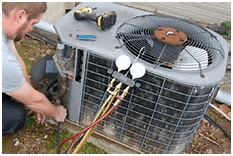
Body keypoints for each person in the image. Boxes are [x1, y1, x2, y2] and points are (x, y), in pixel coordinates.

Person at [2, 2, 67, 135]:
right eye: (33, 24)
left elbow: (18, 61)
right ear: (21, 16)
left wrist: (32, 98)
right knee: (14, 117)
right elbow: (9, 66)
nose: (32, 29)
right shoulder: (3, 59)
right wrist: (56, 112)